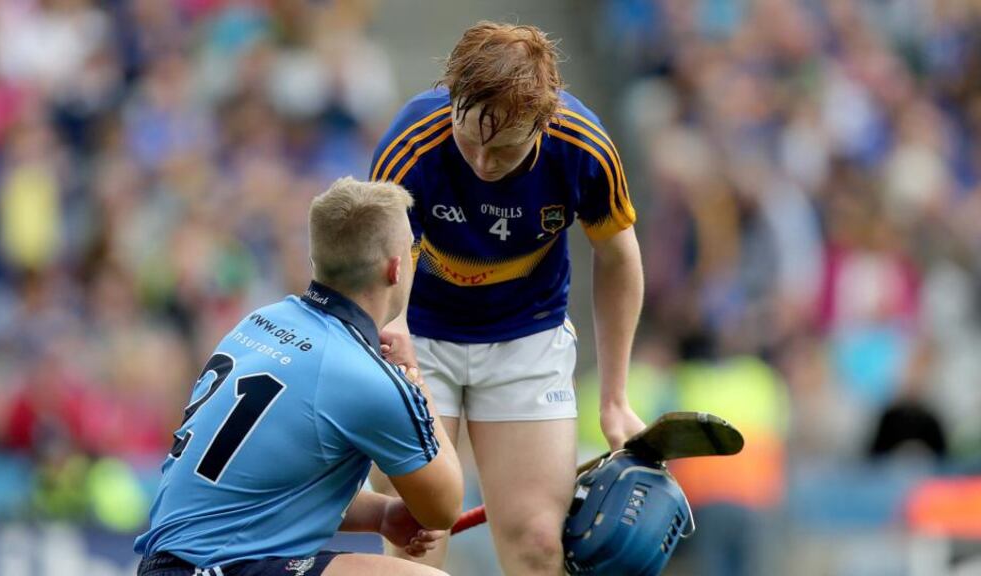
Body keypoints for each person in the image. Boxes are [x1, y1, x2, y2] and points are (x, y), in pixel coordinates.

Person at [369, 22, 646, 575]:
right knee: (416, 541)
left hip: (528, 339)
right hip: (418, 338)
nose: (482, 163)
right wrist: (389, 340)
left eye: (504, 148)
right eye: (469, 138)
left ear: (544, 122)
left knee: (540, 544)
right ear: (452, 99)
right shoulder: (409, 144)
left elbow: (618, 257)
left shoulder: (583, 148)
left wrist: (614, 399)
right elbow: (381, 267)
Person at [134, 177, 463, 576]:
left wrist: (379, 515)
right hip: (221, 568)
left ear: (316, 262)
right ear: (396, 268)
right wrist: (413, 377)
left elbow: (259, 490)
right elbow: (443, 506)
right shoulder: (365, 376)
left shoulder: (259, 322)